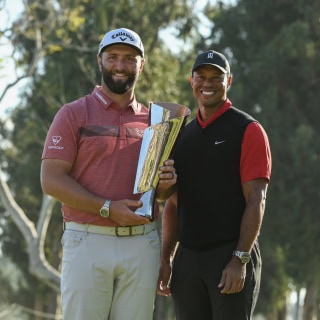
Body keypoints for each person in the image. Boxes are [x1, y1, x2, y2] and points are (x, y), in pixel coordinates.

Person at [40, 27, 176, 320]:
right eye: (113, 57)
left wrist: (166, 185)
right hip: (88, 239)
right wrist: (107, 208)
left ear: (142, 65)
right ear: (100, 60)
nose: (120, 65)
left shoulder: (156, 120)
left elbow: (158, 194)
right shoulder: (74, 113)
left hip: (142, 242)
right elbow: (51, 180)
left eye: (129, 59)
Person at [157, 49, 272, 320]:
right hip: (188, 260)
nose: (207, 83)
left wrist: (240, 258)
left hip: (229, 257)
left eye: (216, 77)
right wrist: (165, 258)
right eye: (201, 76)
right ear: (191, 80)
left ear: (228, 82)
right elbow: (172, 204)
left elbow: (257, 199)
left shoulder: (248, 129)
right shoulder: (181, 135)